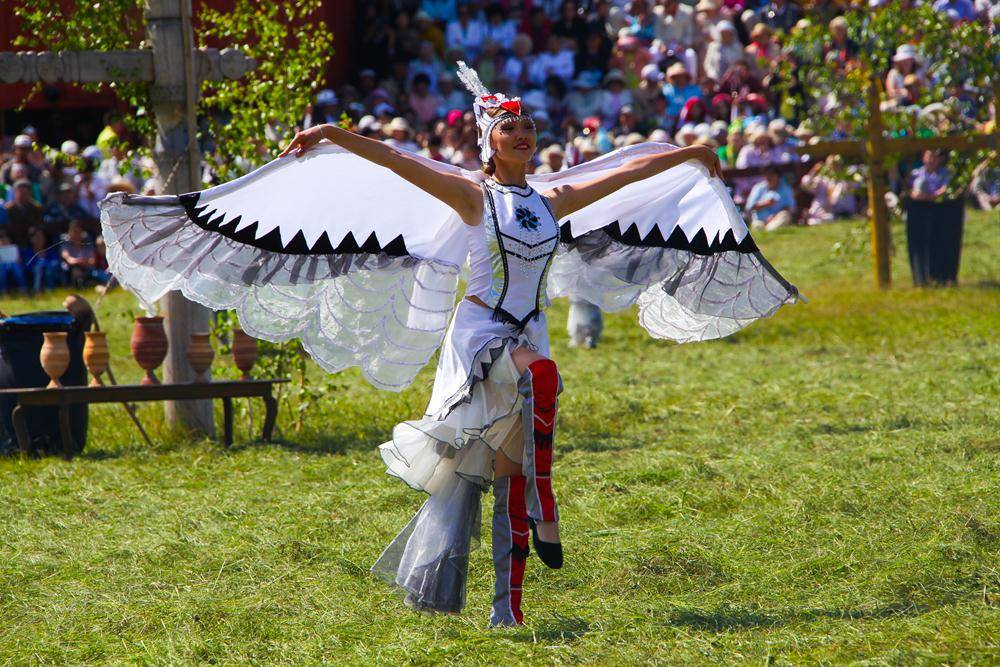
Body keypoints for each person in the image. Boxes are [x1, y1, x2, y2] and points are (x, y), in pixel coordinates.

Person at [99, 61, 799, 627]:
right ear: (488, 142)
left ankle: (507, 608)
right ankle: (548, 504)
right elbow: (397, 161)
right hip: (483, 337)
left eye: (529, 126)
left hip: (526, 331)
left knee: (507, 471)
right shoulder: (472, 196)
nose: (524, 134)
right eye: (510, 127)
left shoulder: (550, 202)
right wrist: (337, 134)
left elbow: (621, 175)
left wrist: (687, 155)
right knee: (545, 377)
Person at [744, 165, 795, 230]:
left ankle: (769, 229)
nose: (769, 177)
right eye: (767, 175)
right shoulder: (758, 188)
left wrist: (774, 217)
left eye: (772, 175)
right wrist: (766, 203)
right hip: (760, 220)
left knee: (785, 215)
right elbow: (749, 207)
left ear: (778, 176)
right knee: (757, 225)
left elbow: (789, 208)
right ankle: (769, 229)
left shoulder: (786, 189)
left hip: (777, 219)